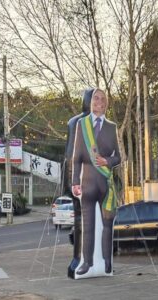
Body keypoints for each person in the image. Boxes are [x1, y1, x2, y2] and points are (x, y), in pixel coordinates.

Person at [72, 88, 121, 278]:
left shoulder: (112, 127)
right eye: (95, 98)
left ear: (106, 103)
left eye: (102, 98)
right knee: (88, 226)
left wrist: (107, 161)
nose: (98, 101)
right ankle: (87, 262)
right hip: (87, 183)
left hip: (106, 184)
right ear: (90, 103)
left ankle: (107, 261)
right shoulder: (81, 125)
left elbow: (119, 156)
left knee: (108, 223)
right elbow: (76, 157)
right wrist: (75, 181)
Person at [65, 88, 92, 279]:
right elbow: (71, 155)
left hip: (87, 177)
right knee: (82, 220)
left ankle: (86, 260)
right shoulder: (77, 123)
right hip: (82, 177)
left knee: (89, 220)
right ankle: (80, 259)